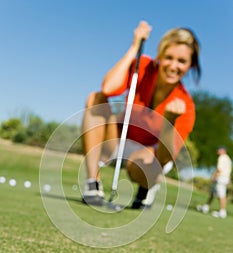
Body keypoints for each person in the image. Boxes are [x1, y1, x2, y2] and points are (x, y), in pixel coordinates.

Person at [81, 21, 201, 208]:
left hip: (149, 157)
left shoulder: (185, 106)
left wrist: (169, 121)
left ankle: (147, 187)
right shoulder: (143, 67)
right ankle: (92, 184)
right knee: (95, 98)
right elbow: (108, 88)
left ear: (191, 65)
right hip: (118, 142)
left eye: (182, 61)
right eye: (168, 57)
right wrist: (135, 45)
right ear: (160, 56)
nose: (173, 66)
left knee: (140, 166)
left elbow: (165, 157)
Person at [197, 146, 232, 218]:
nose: (217, 151)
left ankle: (222, 212)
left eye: (218, 150)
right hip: (225, 178)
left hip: (221, 178)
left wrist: (213, 176)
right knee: (213, 192)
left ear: (223, 150)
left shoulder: (222, 157)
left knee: (221, 195)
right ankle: (206, 207)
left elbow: (219, 169)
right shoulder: (228, 159)